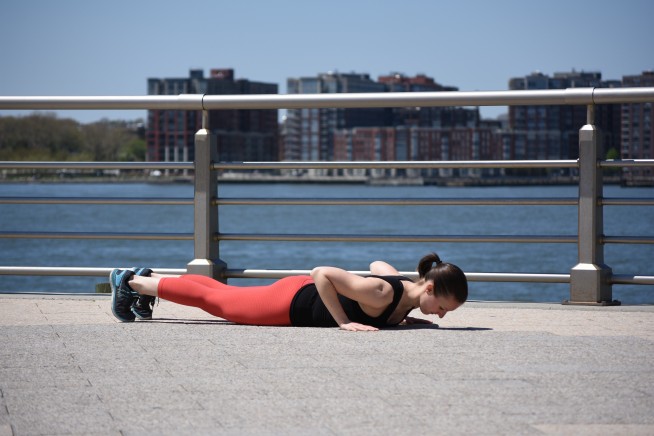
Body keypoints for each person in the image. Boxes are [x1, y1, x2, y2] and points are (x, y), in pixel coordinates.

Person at [109, 253, 468, 332]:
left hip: (299, 293)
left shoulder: (403, 287)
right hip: (292, 303)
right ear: (431, 287)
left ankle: (150, 276)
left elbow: (378, 263)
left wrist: (402, 314)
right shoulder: (381, 293)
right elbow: (323, 273)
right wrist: (344, 322)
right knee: (217, 302)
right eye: (443, 307)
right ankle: (129, 282)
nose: (440, 315)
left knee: (219, 292)